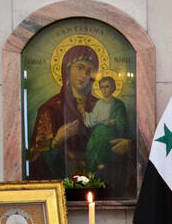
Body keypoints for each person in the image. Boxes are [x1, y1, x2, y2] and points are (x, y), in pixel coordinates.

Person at [29, 45, 131, 194]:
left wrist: (128, 145)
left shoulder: (102, 105)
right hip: (61, 189)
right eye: (80, 67)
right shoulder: (50, 109)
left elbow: (121, 139)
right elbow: (34, 158)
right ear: (67, 70)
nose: (84, 74)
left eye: (89, 71)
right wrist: (57, 140)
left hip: (101, 183)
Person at [84, 75, 129, 178]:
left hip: (112, 131)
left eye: (107, 86)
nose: (104, 90)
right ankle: (94, 168)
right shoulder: (99, 103)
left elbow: (122, 122)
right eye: (102, 87)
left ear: (113, 88)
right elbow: (94, 119)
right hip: (99, 129)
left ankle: (101, 162)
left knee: (104, 138)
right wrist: (85, 115)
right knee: (91, 145)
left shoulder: (118, 104)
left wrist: (114, 121)